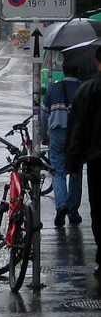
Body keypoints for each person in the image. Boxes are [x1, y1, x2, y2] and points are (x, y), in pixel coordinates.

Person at [66, 48, 101, 277]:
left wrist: (73, 163)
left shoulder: (86, 89)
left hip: (97, 160)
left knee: (98, 209)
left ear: (97, 62)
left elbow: (76, 130)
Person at [41, 64, 81, 226]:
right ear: (78, 71)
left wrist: (44, 137)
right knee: (75, 173)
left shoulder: (53, 89)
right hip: (77, 137)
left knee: (58, 172)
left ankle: (61, 205)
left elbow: (43, 116)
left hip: (57, 134)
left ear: (63, 72)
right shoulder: (81, 89)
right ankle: (73, 213)